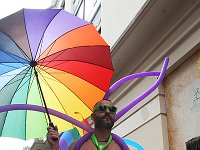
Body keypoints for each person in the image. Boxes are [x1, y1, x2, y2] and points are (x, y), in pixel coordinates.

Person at [47, 99, 129, 150]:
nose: (107, 112)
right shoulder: (76, 146)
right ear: (92, 117)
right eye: (102, 108)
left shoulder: (121, 146)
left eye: (112, 109)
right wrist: (55, 147)